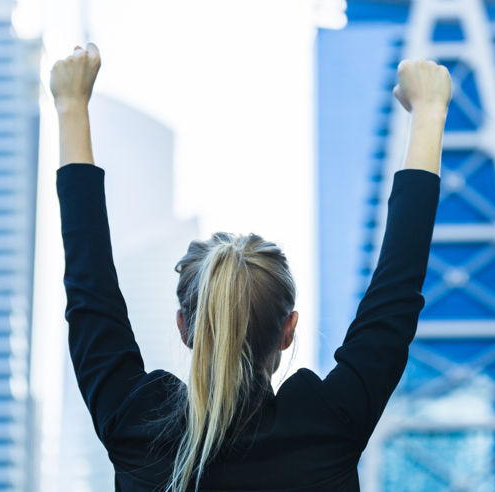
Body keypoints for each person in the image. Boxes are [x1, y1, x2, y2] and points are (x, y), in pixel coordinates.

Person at [52, 42, 452, 492]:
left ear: (185, 326)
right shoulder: (328, 425)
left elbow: (89, 290)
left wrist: (71, 106)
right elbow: (396, 295)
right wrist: (430, 113)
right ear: (289, 330)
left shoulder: (138, 427)